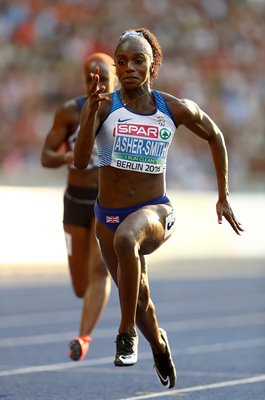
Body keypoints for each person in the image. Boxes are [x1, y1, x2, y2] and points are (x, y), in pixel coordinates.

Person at [73, 28, 244, 389]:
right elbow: (80, 158)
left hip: (156, 212)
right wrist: (89, 110)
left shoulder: (173, 107)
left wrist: (223, 195)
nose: (130, 67)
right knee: (140, 303)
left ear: (153, 66)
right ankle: (159, 345)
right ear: (116, 68)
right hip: (107, 215)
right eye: (122, 62)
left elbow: (215, 134)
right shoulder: (104, 105)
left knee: (127, 239)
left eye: (138, 60)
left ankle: (124, 336)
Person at [40, 52, 118, 362]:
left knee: (100, 269)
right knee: (80, 285)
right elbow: (45, 156)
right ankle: (87, 316)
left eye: (103, 79)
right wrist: (64, 157)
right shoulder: (69, 112)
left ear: (115, 78)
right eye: (90, 78)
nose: (96, 84)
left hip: (107, 201)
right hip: (75, 200)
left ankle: (83, 337)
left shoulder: (125, 113)